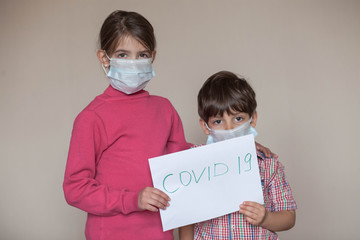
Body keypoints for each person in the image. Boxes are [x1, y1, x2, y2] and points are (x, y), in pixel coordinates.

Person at [63, 10, 275, 240]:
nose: (134, 63)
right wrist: (133, 199)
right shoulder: (92, 117)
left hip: (160, 233)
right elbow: (75, 188)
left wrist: (237, 146)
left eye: (142, 54)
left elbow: (187, 165)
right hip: (112, 234)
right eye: (123, 55)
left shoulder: (164, 109)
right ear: (104, 58)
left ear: (153, 56)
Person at [179, 71, 297, 240]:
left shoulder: (269, 165)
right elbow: (185, 215)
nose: (229, 129)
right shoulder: (193, 164)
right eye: (218, 121)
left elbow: (289, 218)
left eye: (238, 118)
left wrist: (266, 218)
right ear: (205, 126)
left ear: (253, 119)